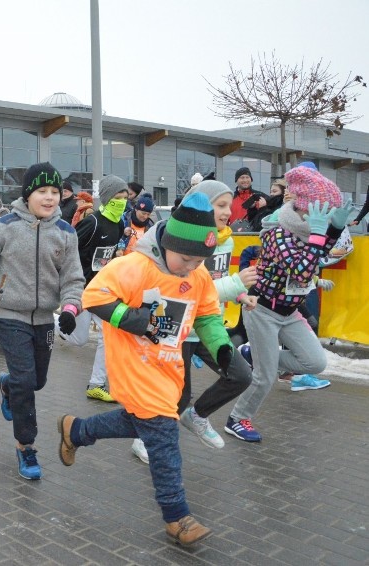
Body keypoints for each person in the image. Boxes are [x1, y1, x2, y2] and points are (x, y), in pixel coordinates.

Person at [57, 192, 231, 546]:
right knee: (164, 442)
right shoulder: (135, 266)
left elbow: (209, 316)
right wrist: (135, 320)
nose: (191, 267)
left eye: (200, 261)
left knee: (137, 422)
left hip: (168, 371)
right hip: (134, 368)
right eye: (185, 258)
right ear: (168, 243)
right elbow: (95, 296)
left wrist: (224, 350)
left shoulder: (197, 277)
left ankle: (76, 431)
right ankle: (177, 518)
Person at [0, 162, 85, 480]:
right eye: (42, 191)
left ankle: (7, 384)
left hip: (44, 318)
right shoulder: (4, 226)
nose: (49, 197)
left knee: (36, 381)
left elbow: (73, 279)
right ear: (28, 194)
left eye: (55, 191)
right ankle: (25, 446)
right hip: (8, 315)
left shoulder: (66, 233)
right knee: (27, 382)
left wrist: (71, 309)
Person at [129, 181, 256, 464]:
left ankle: (197, 416)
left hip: (209, 326)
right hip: (177, 327)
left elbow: (213, 284)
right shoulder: (178, 238)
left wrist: (239, 294)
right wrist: (233, 284)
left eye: (229, 205)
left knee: (241, 374)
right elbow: (183, 291)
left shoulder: (227, 239)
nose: (228, 212)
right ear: (199, 205)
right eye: (220, 205)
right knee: (177, 394)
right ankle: (144, 439)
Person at [224, 165, 352, 442]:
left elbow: (318, 253)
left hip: (290, 311)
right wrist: (322, 236)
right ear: (305, 208)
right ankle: (237, 418)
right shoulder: (276, 232)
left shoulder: (308, 230)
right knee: (265, 377)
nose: (327, 217)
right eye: (325, 211)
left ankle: (252, 355)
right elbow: (303, 270)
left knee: (315, 361)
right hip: (263, 310)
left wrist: (335, 229)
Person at [75, 175, 129, 402]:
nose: (122, 201)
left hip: (101, 291)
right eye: (118, 197)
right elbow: (69, 250)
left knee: (109, 334)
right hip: (80, 288)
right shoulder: (92, 222)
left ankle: (96, 385)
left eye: (125, 197)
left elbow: (109, 254)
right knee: (76, 340)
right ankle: (50, 322)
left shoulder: (119, 224)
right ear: (107, 198)